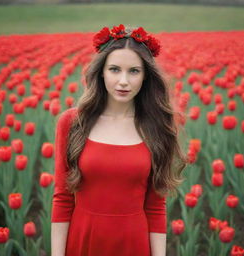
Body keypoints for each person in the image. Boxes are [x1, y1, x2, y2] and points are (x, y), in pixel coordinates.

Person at [51, 24, 187, 256]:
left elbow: (155, 207)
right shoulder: (73, 123)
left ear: (145, 76)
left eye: (134, 71)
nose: (123, 81)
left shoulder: (156, 127)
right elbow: (63, 199)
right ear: (101, 72)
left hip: (133, 243)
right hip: (83, 239)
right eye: (114, 69)